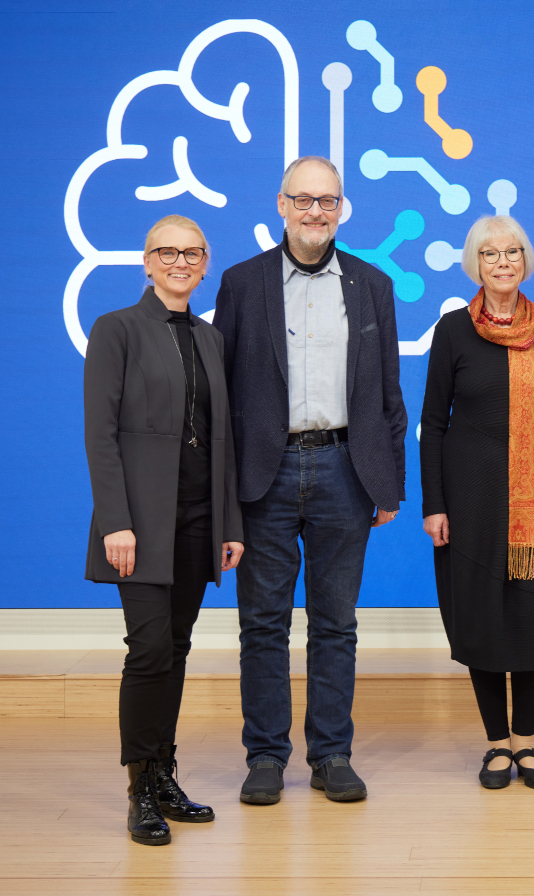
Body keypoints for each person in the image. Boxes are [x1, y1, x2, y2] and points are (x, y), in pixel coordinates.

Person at [213, 156, 408, 805]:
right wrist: (223, 493)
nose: (317, 212)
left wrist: (390, 482)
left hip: (346, 470)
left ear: (342, 208)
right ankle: (266, 755)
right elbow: (223, 394)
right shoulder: (242, 284)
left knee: (335, 624)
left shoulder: (373, 285)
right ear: (281, 204)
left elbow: (388, 392)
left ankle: (331, 754)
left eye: (329, 201)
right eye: (305, 200)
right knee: (263, 624)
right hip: (264, 476)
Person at [84, 215, 243, 845]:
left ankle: (165, 773)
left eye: (192, 252)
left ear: (205, 263)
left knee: (175, 650)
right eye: (167, 252)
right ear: (146, 262)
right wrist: (116, 521)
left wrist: (230, 522)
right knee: (148, 650)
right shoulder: (116, 329)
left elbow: (223, 438)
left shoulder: (210, 338)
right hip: (140, 523)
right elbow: (100, 434)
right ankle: (139, 789)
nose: (180, 261)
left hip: (200, 517)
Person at [420, 215, 534, 790]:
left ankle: (528, 742)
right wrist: (434, 503)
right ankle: (496, 744)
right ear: (476, 265)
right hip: (470, 506)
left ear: (526, 260)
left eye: (512, 251)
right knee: (482, 617)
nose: (503, 262)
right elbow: (433, 424)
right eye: (490, 254)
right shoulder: (452, 331)